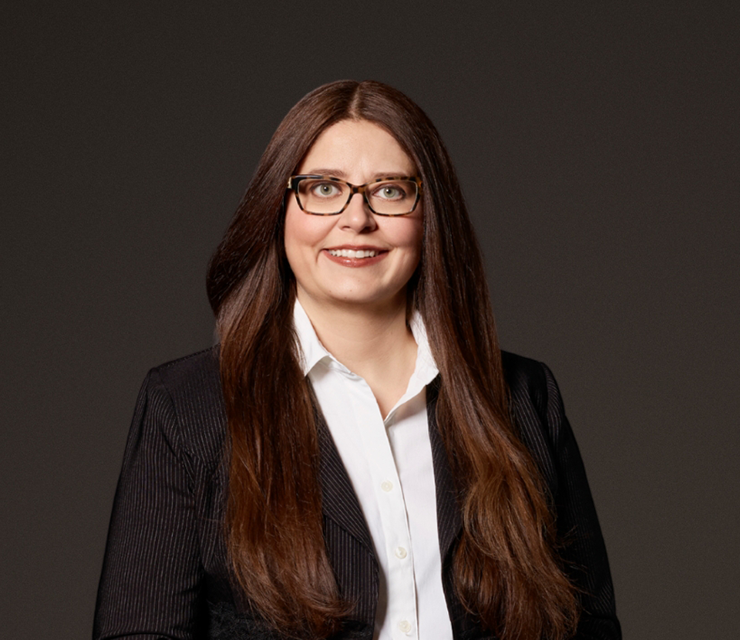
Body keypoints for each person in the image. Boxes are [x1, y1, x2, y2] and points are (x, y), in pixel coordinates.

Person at [94, 80, 621, 640]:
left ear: (430, 213)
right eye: (324, 188)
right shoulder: (187, 407)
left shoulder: (523, 397)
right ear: (278, 207)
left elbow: (589, 625)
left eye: (390, 191)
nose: (356, 218)